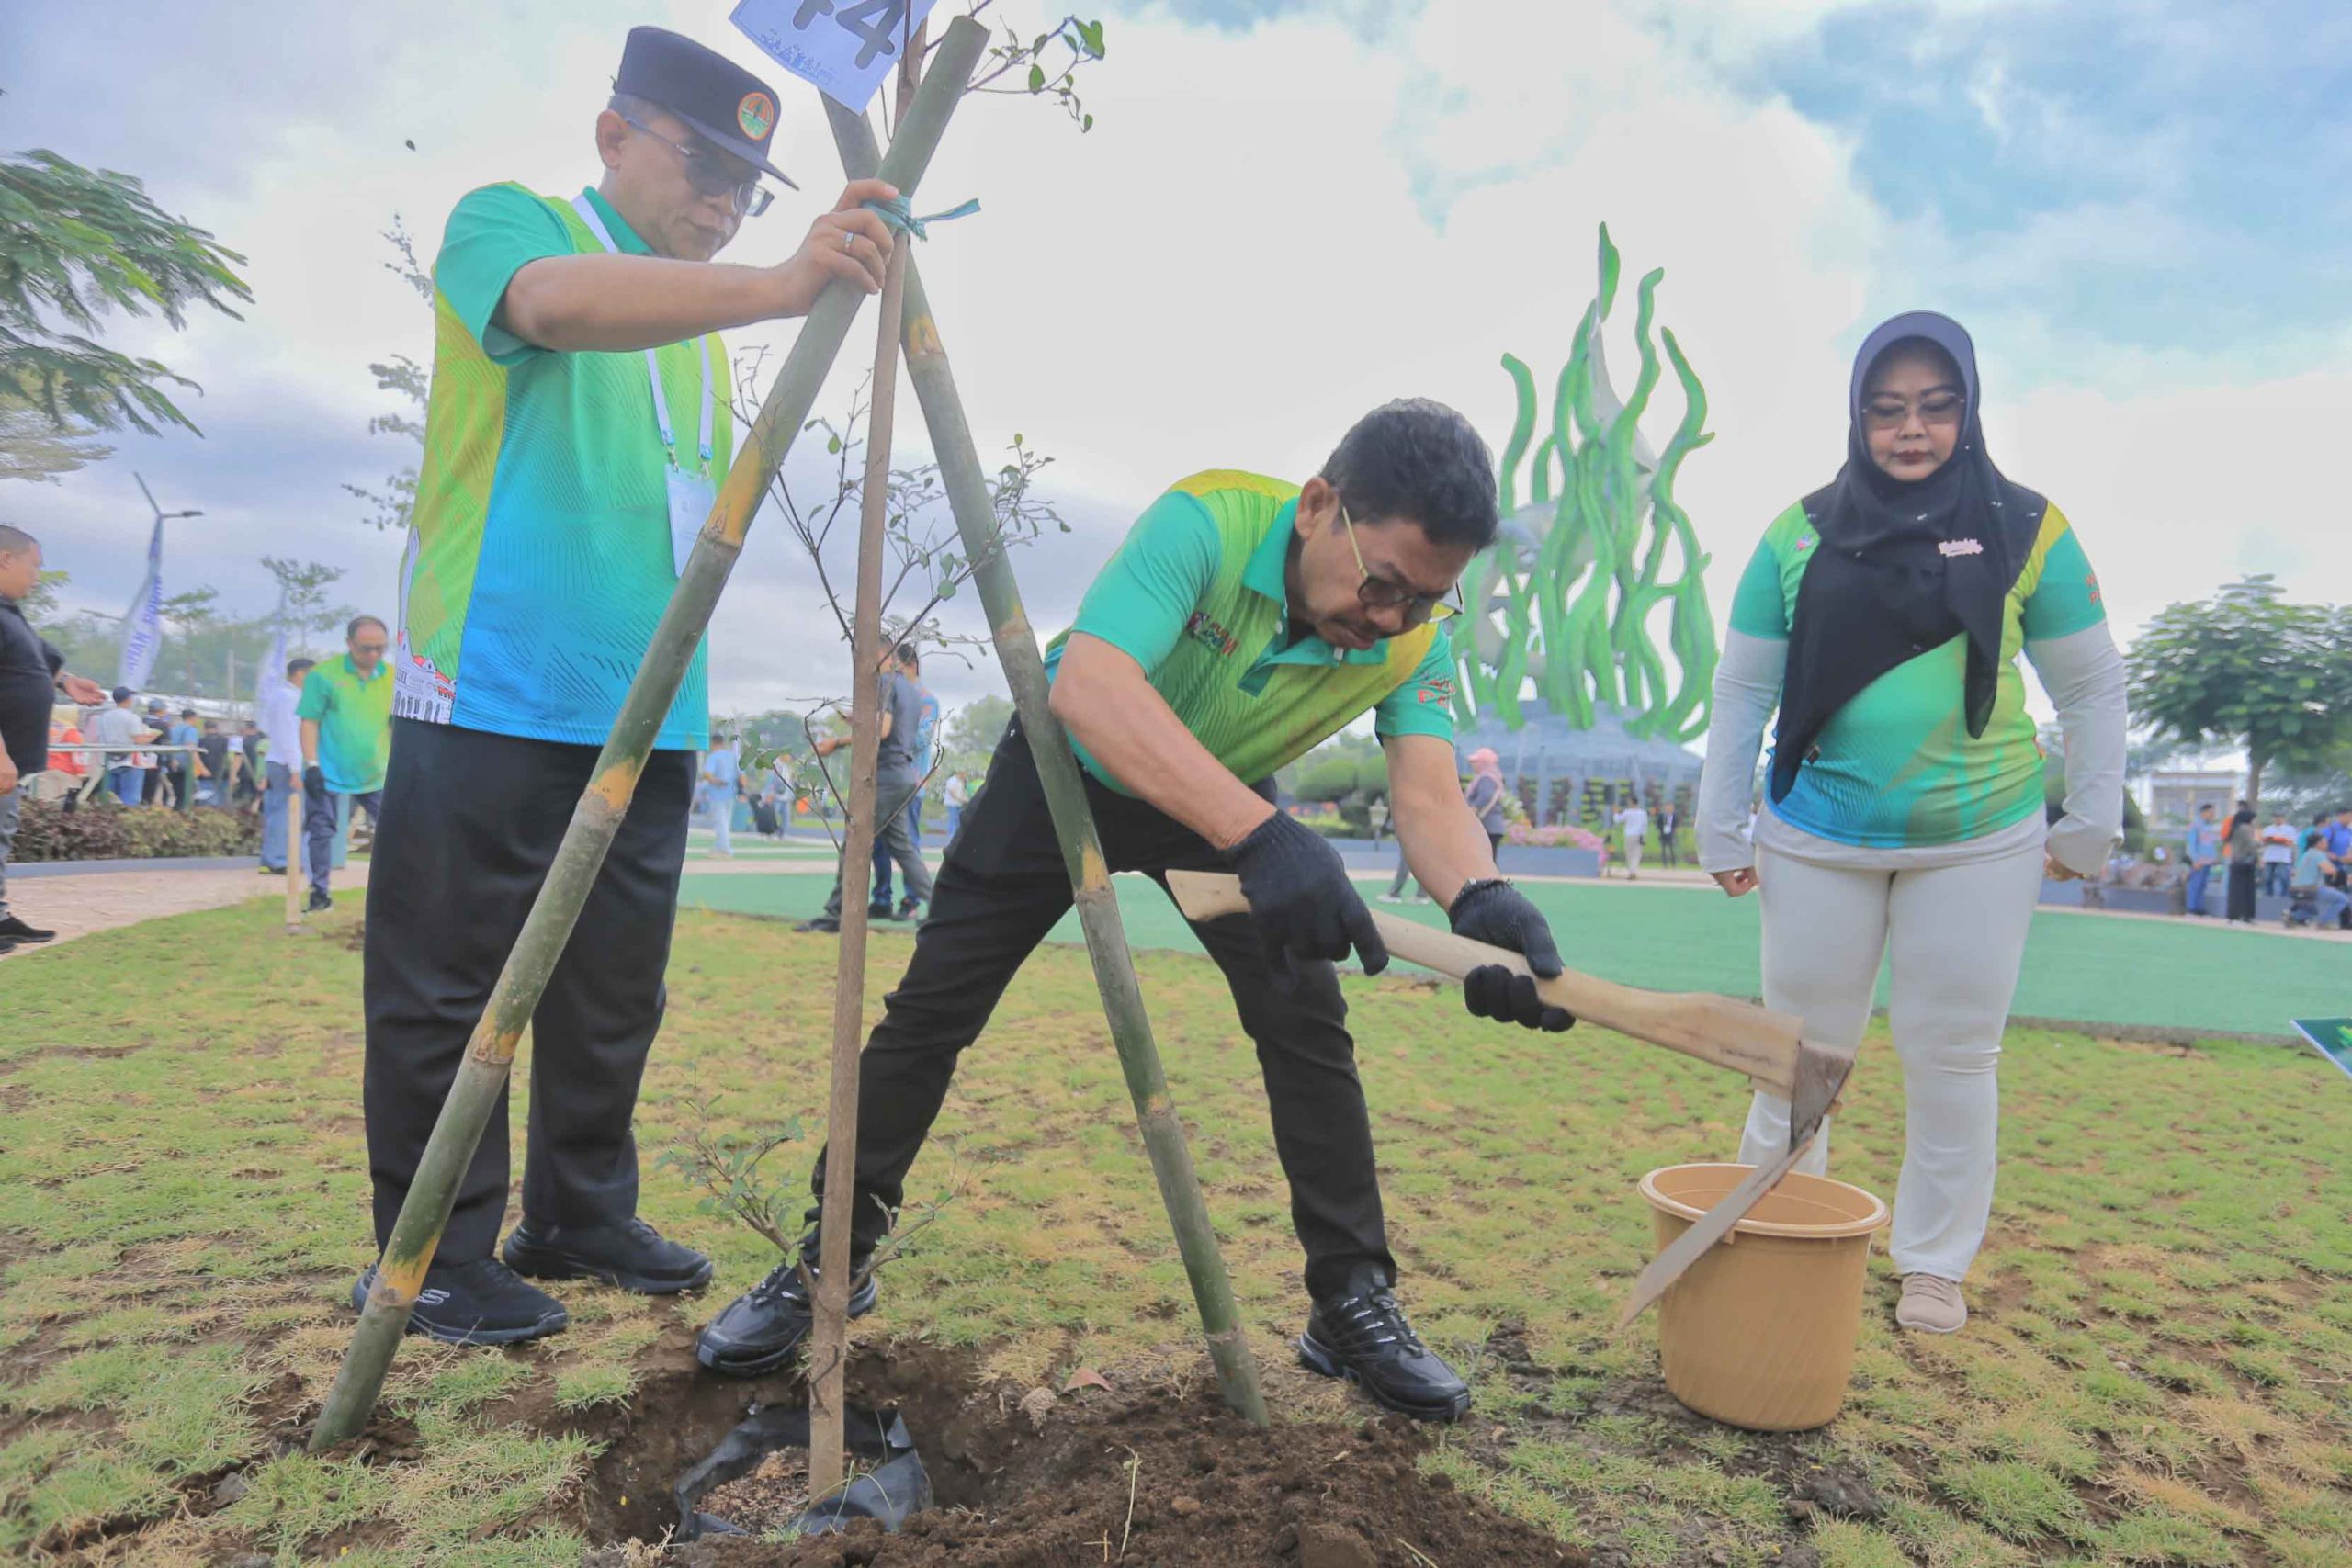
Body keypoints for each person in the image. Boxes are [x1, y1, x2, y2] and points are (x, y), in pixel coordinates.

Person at [698, 400, 1577, 1424]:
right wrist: (1262, 835)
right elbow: (1096, 690)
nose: (1390, 619)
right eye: (1381, 584)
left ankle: (1349, 1299)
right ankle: (830, 1259)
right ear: (1317, 508)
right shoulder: (1205, 523)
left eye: (1425, 600)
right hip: (1064, 769)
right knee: (932, 1011)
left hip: (1221, 796)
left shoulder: (1413, 643)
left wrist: (1479, 895)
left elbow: (1428, 798)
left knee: (1306, 1019)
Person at [358, 25, 902, 1345]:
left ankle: (579, 1211)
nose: (722, 206)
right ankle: (431, 1255)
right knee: (450, 985)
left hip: (651, 709)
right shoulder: (512, 224)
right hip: (493, 688)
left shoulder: (701, 328)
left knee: (612, 990)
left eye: (746, 190)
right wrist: (779, 281)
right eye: (703, 166)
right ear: (614, 135)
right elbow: (550, 306)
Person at [1696, 312, 2126, 1337]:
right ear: (1856, 416)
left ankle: (1933, 1263)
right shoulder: (1795, 533)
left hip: (1980, 837)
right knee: (1801, 1056)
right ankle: (1778, 1227)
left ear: (1968, 411)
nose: (1911, 430)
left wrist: (2091, 820)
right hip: (1816, 832)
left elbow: (2091, 684)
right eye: (1886, 410)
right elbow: (1742, 689)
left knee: (1955, 1054)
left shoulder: (2031, 528)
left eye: (1936, 407)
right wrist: (1719, 821)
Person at [0, 525, 110, 953]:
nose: (37, 576)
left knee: (2, 832)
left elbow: (28, 659)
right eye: (34, 565)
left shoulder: (9, 614)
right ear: (5, 559)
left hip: (13, 756)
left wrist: (65, 681)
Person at [797, 644, 934, 931]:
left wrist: (837, 742)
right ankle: (941, 908)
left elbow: (882, 731)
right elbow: (892, 726)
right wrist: (857, 719)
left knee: (854, 841)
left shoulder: (884, 683)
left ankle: (834, 915)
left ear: (881, 654)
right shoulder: (910, 690)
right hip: (903, 775)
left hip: (885, 777)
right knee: (903, 848)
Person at [298, 616, 393, 913]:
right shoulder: (323, 676)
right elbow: (309, 722)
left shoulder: (393, 676)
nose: (374, 655)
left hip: (376, 772)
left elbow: (395, 725)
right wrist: (312, 764)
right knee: (321, 831)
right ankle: (320, 893)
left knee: (397, 829)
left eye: (380, 648)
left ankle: (397, 894)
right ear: (349, 644)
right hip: (328, 770)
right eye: (366, 648)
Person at [870, 646, 939, 919]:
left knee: (907, 842)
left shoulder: (926, 700)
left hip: (911, 780)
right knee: (879, 844)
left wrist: (896, 729)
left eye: (898, 666)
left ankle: (912, 901)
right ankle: (882, 898)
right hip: (886, 775)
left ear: (911, 666)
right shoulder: (889, 690)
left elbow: (920, 738)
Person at [258, 659, 312, 874]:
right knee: (285, 813)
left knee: (281, 811)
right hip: (286, 763)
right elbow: (290, 736)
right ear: (299, 674)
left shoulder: (285, 696)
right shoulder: (288, 698)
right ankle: (279, 859)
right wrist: (296, 769)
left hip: (282, 761)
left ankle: (279, 857)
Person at [86, 688, 149, 806]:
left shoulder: (104, 717)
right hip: (129, 762)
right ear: (129, 699)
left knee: (109, 798)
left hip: (108, 761)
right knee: (130, 798)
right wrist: (152, 737)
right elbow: (139, 740)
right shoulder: (132, 717)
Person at [2290, 819, 2346, 929]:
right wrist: (2337, 866)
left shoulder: (2306, 854)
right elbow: (2329, 870)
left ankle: (2293, 916)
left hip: (2295, 888)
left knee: (2312, 911)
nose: (2327, 844)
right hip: (2309, 889)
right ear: (2318, 843)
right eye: (2324, 842)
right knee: (2342, 899)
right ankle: (2324, 922)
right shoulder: (2318, 854)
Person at [701, 732, 741, 855]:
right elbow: (741, 775)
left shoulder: (713, 757)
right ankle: (719, 846)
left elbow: (707, 774)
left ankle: (725, 848)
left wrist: (716, 781)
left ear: (712, 743)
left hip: (717, 794)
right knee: (726, 822)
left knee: (720, 822)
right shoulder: (732, 756)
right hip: (731, 793)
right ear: (723, 743)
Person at [2222, 806, 2260, 925]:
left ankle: (2234, 916)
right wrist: (2261, 843)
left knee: (2235, 890)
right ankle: (2245, 916)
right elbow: (2250, 845)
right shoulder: (2246, 829)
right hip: (2245, 862)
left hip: (2236, 861)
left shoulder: (2235, 828)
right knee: (2247, 891)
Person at [2183, 803, 2220, 917]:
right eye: (2210, 813)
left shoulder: (2208, 827)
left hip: (2207, 861)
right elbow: (2191, 845)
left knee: (2202, 885)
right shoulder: (2195, 826)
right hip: (2199, 861)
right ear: (2203, 812)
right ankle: (2191, 909)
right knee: (2195, 884)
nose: (2212, 815)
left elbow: (2209, 845)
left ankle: (2199, 908)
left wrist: (2213, 858)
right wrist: (2195, 860)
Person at [2260, 813, 2297, 898]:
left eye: (2280, 817)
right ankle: (2268, 896)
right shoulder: (2268, 829)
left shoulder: (2289, 829)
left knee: (2284, 878)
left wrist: (2280, 841)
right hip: (2269, 857)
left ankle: (2285, 896)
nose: (2278, 819)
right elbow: (2263, 842)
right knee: (2268, 878)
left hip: (2283, 857)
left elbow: (2292, 843)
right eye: (2276, 817)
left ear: (2283, 819)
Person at [1614, 796, 1651, 879]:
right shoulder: (1643, 813)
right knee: (1636, 854)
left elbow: (1618, 820)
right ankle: (1632, 871)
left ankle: (1631, 871)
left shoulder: (1627, 812)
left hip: (1629, 835)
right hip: (1638, 835)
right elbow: (1645, 825)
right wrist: (1644, 836)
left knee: (1629, 854)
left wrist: (1616, 813)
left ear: (1632, 802)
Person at [942, 770, 967, 841]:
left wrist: (965, 798)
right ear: (960, 773)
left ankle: (957, 837)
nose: (965, 776)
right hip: (951, 803)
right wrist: (962, 799)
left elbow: (962, 792)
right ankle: (951, 837)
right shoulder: (951, 781)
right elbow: (953, 793)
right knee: (953, 820)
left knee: (958, 821)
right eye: (964, 774)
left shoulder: (961, 782)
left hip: (958, 804)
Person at [1657, 800, 1681, 870]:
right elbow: (1658, 824)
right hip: (1663, 834)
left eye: (1670, 807)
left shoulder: (1674, 815)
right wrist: (1660, 830)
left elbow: (1677, 824)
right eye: (1668, 807)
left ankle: (1674, 865)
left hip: (1671, 834)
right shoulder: (1662, 815)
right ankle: (1665, 865)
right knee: (1663, 850)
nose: (1669, 808)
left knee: (1672, 850)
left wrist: (1674, 830)